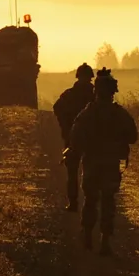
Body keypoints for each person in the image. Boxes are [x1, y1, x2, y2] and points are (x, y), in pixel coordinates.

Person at [67, 68, 138, 255]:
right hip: (112, 164)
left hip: (92, 163)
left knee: (91, 199)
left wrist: (75, 151)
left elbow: (75, 137)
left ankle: (87, 234)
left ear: (95, 91)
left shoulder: (87, 113)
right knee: (108, 201)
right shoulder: (120, 114)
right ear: (113, 92)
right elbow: (133, 137)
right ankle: (105, 241)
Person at [52, 63, 96, 211]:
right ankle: (79, 203)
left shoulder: (70, 94)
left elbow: (57, 108)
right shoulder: (95, 95)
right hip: (85, 140)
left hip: (77, 138)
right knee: (82, 173)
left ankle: (75, 203)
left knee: (76, 174)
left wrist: (65, 127)